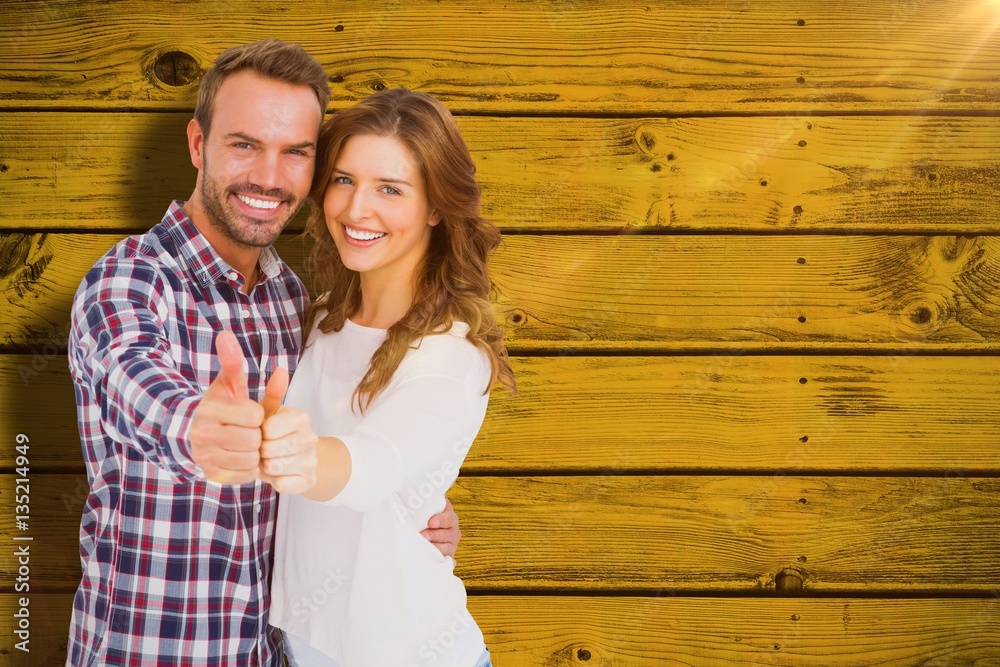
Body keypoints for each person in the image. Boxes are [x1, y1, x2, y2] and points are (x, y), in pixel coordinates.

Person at [66, 40, 460, 667]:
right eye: (245, 145)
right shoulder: (129, 280)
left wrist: (408, 505)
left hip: (276, 653)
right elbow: (134, 379)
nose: (270, 177)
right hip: (155, 652)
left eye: (296, 153)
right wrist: (197, 427)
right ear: (198, 145)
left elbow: (341, 448)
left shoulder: (295, 299)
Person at [264, 87, 516, 667]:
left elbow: (373, 466)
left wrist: (284, 453)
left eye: (390, 189)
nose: (356, 210)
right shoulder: (322, 317)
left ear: (435, 207)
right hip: (301, 651)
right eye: (345, 180)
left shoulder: (451, 354)